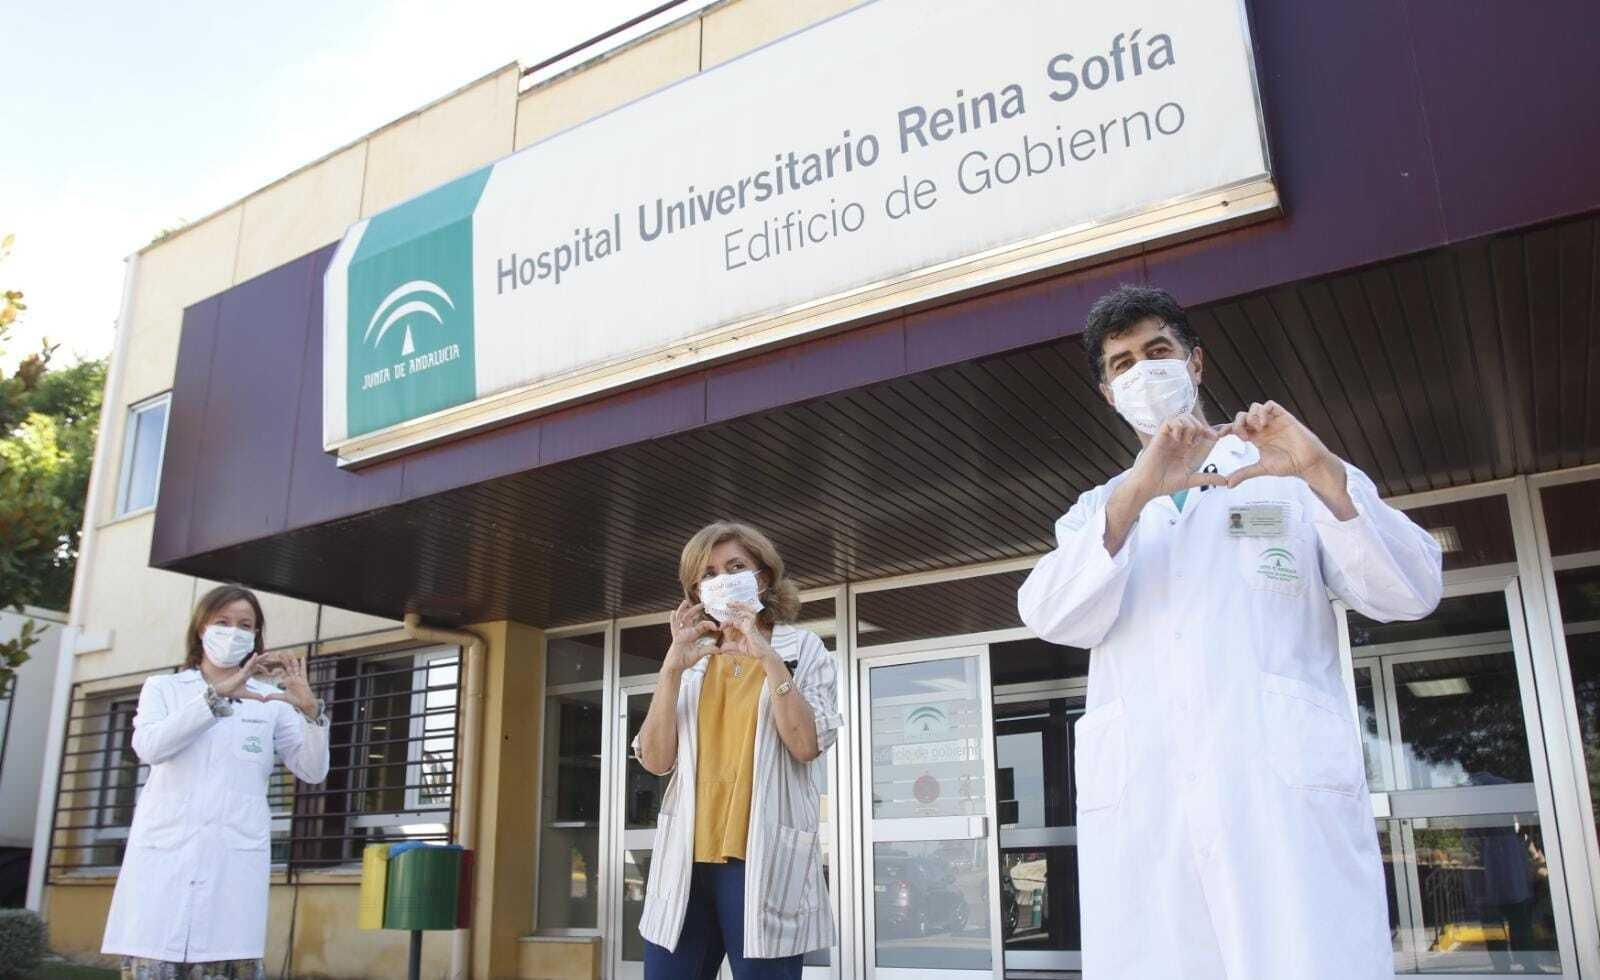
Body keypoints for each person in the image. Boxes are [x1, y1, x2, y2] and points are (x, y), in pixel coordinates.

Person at [1017, 285, 1443, 979]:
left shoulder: (1284, 471)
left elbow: (1411, 587)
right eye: (1122, 364)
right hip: (1151, 821)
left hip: (1281, 808)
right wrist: (1138, 493)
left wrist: (1320, 472)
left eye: (1158, 351)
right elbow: (1051, 613)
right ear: (1107, 393)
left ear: (1197, 364)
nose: (1143, 372)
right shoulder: (1100, 511)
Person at [633, 522, 843, 979]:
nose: (721, 580)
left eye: (735, 567)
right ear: (695, 589)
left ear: (762, 578)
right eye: (707, 574)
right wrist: (670, 670)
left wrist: (766, 656)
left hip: (759, 857)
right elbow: (655, 760)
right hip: (685, 860)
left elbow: (806, 745)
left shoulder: (801, 649)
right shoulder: (691, 657)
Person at [101, 586, 330, 980]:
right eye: (222, 622)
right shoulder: (165, 688)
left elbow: (312, 770)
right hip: (163, 873)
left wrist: (310, 711)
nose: (233, 632)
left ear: (256, 638)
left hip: (232, 875)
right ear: (201, 628)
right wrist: (216, 697)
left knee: (226, 953)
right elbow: (150, 747)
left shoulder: (270, 699)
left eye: (245, 625)